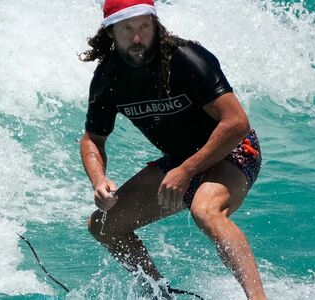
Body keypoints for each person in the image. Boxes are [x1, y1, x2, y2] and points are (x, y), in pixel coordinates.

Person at [78, 0, 266, 299]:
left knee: (204, 210)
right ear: (110, 33)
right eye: (127, 28)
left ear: (155, 25)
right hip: (178, 161)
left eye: (144, 26)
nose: (137, 37)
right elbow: (92, 139)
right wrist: (99, 181)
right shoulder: (107, 78)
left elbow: (236, 122)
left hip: (232, 151)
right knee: (104, 225)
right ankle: (160, 294)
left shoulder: (185, 59)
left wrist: (187, 170)